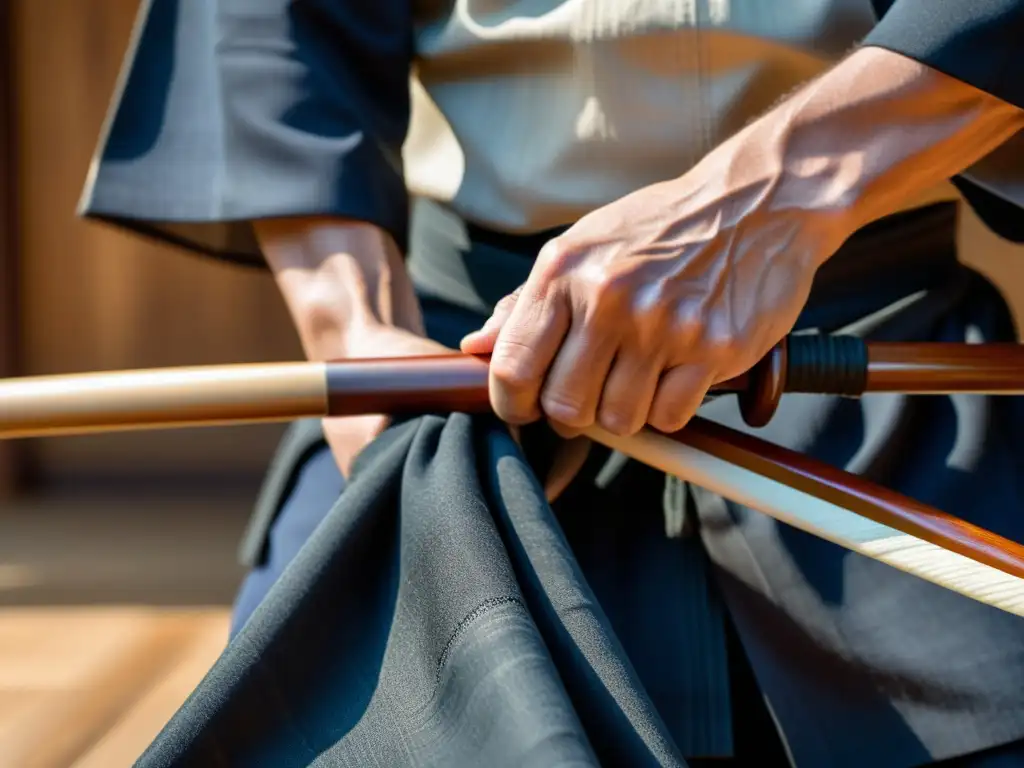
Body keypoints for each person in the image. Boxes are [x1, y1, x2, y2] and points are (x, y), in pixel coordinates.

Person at [79, 0, 1024, 765]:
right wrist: (357, 325)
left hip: (865, 360)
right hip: (456, 368)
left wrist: (766, 197)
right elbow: (265, 27)